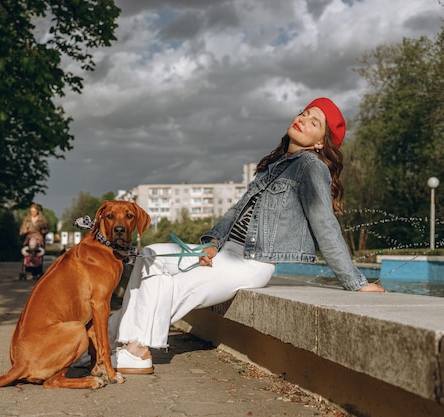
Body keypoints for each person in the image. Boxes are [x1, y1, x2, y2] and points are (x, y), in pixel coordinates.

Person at [109, 97, 386, 375]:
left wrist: (356, 282)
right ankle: (107, 339)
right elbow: (235, 212)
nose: (303, 119)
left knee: (171, 281)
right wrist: (213, 243)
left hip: (251, 263)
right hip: (227, 252)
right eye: (304, 113)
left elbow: (325, 225)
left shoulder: (311, 167)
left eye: (314, 122)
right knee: (150, 253)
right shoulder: (274, 165)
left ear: (320, 143)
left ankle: (138, 350)